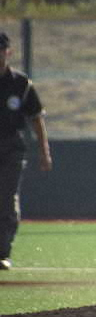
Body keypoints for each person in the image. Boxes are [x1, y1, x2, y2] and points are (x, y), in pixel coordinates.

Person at [0, 31, 52, 271]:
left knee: (7, 199)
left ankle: (2, 252)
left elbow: (36, 119)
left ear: (8, 52)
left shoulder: (20, 83)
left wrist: (44, 151)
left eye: (1, 50)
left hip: (11, 147)